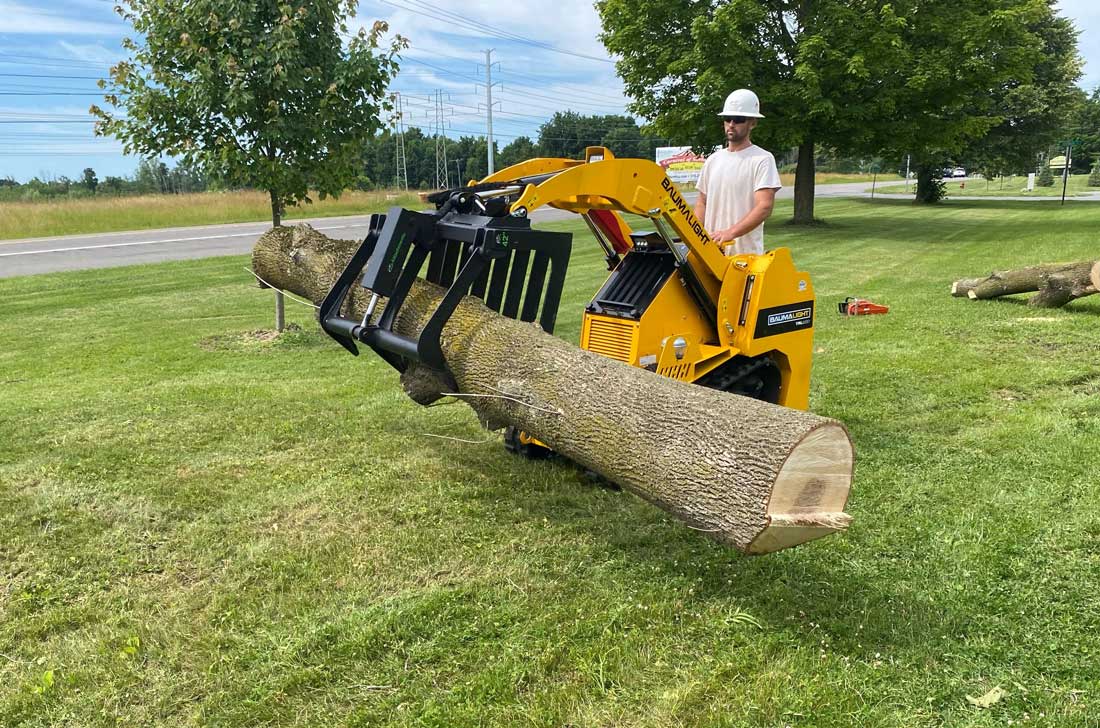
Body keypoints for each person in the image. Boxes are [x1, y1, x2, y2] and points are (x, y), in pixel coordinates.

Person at [693, 88, 782, 256]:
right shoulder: (713, 160)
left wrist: (730, 233)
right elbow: (702, 202)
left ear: (752, 123)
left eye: (739, 119)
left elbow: (764, 206)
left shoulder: (762, 159)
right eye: (727, 119)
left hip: (744, 257)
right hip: (711, 254)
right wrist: (695, 233)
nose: (731, 124)